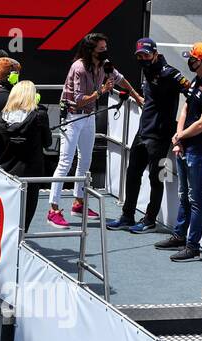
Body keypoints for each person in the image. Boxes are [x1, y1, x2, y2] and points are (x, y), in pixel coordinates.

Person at [48, 33, 143, 229]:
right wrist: (101, 91)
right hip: (73, 116)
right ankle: (53, 209)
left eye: (105, 47)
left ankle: (78, 203)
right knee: (65, 161)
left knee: (86, 159)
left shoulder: (105, 65)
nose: (105, 51)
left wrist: (136, 96)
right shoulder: (79, 68)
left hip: (89, 115)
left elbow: (120, 79)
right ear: (91, 50)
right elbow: (79, 99)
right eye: (101, 49)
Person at [107, 39, 189, 234]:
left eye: (145, 54)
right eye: (139, 56)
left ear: (154, 53)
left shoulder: (170, 73)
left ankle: (150, 220)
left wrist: (182, 128)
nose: (142, 58)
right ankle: (127, 216)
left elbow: (192, 95)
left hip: (160, 137)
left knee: (157, 178)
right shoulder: (147, 70)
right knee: (132, 173)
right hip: (142, 132)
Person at [155, 43, 202, 262]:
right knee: (183, 194)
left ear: (200, 62)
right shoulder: (197, 81)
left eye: (192, 58)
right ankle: (179, 235)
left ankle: (192, 245)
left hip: (198, 149)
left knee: (195, 198)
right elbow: (185, 108)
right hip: (184, 145)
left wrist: (181, 136)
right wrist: (178, 137)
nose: (189, 61)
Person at [0, 81, 52, 230]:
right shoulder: (40, 116)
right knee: (26, 216)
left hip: (7, 172)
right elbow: (48, 142)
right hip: (32, 174)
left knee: (7, 215)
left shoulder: (1, 118)